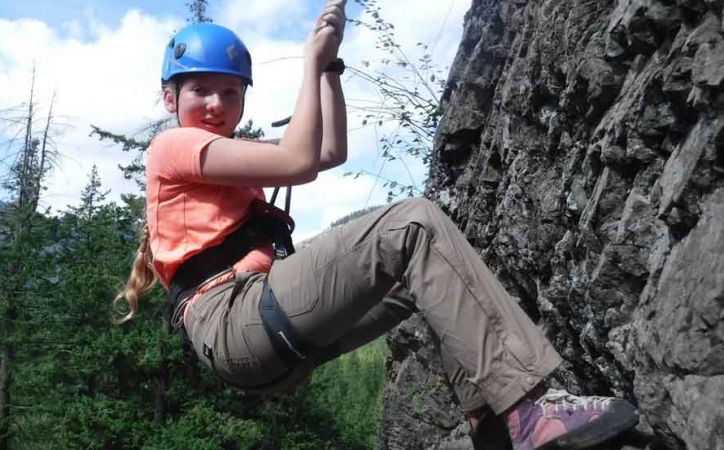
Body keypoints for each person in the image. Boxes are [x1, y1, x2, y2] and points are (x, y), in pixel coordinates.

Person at [113, 1, 640, 449]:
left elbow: (327, 152)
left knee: (431, 282)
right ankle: (530, 411)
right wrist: (308, 65)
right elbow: (299, 161)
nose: (215, 104)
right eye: (200, 90)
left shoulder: (226, 157)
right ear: (170, 98)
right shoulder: (173, 145)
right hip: (234, 318)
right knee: (413, 224)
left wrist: (329, 69)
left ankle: (493, 423)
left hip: (257, 340)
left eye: (230, 93)